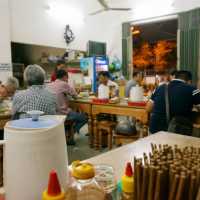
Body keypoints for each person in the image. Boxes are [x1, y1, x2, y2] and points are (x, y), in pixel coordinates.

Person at [48, 69, 88, 140]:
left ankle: (68, 132)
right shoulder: (64, 84)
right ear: (64, 76)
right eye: (67, 77)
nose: (68, 79)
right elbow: (75, 96)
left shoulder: (50, 84)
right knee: (84, 118)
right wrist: (78, 90)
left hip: (53, 113)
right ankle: (69, 135)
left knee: (74, 113)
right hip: (63, 113)